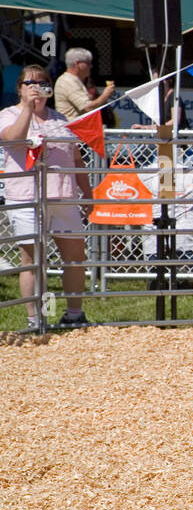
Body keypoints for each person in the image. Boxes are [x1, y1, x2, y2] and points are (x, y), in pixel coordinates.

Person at [0, 64, 91, 329]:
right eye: (30, 82)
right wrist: (28, 108)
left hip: (64, 195)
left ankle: (74, 315)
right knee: (32, 260)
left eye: (42, 82)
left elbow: (76, 157)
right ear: (20, 88)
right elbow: (14, 140)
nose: (37, 86)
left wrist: (87, 190)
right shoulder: (8, 114)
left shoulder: (60, 119)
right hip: (27, 196)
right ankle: (35, 318)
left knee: (75, 257)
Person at [53, 48, 115, 119]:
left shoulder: (77, 80)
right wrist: (105, 95)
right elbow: (87, 108)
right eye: (88, 63)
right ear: (77, 64)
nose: (91, 66)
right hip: (71, 128)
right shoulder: (67, 81)